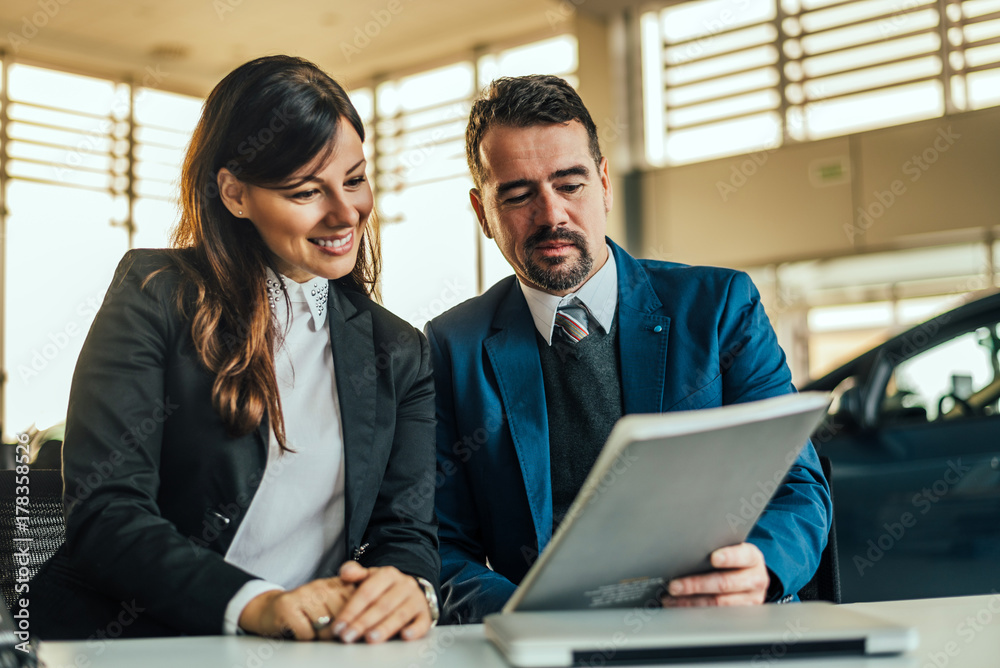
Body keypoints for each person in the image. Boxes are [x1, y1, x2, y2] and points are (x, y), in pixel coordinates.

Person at [28, 55, 439, 642]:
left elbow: (406, 530)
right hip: (126, 641)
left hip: (308, 650)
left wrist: (408, 588)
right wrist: (255, 605)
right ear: (235, 194)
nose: (346, 213)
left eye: (354, 179)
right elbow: (107, 512)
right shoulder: (154, 296)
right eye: (305, 191)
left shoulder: (400, 351)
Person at [425, 75, 833, 624]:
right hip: (546, 647)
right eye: (518, 195)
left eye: (570, 185)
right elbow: (441, 546)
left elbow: (798, 487)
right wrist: (527, 620)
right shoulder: (451, 347)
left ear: (605, 183)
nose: (551, 216)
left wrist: (760, 565)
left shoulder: (717, 308)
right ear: (482, 214)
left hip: (709, 628)